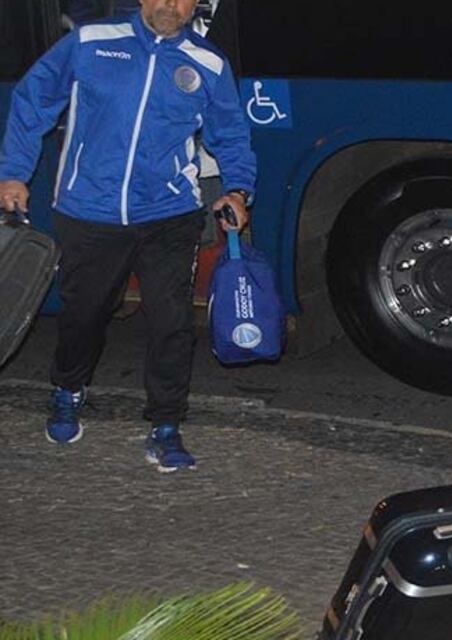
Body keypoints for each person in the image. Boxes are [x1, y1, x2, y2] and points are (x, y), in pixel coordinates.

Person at [0, 0, 256, 472]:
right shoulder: (91, 43)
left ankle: (166, 425)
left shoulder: (208, 63)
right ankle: (68, 388)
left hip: (169, 214)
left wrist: (238, 190)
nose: (170, 5)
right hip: (89, 210)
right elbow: (34, 99)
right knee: (84, 316)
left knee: (172, 323)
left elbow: (231, 133)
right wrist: (14, 172)